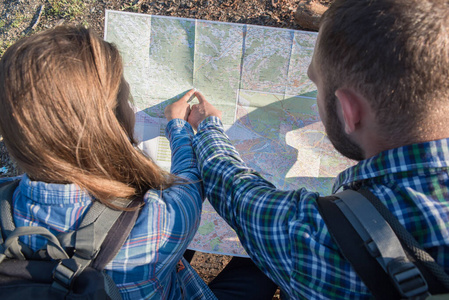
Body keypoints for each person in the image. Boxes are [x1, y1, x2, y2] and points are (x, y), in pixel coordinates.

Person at [166, 0, 449, 298]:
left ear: (348, 111)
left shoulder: (313, 237)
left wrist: (209, 125)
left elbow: (235, 191)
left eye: (316, 84)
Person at [0, 26, 213, 299]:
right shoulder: (160, 220)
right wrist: (179, 126)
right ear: (107, 124)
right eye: (125, 96)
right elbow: (192, 179)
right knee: (252, 270)